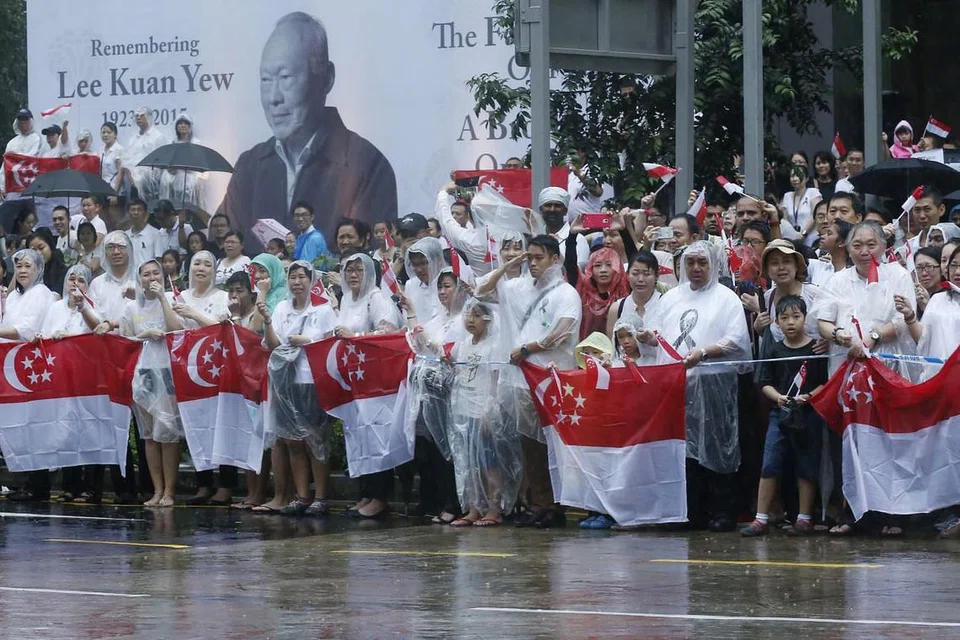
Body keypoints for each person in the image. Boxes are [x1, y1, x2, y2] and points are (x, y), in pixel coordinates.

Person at [218, 11, 398, 252]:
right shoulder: (249, 166)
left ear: (326, 78)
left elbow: (371, 253)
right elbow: (228, 241)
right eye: (266, 79)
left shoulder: (366, 165)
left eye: (286, 77)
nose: (274, 98)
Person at [650, 241, 751, 531]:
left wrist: (705, 352)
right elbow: (658, 333)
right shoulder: (671, 298)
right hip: (676, 385)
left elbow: (737, 341)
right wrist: (647, 337)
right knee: (684, 450)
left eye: (702, 263)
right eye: (691, 262)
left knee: (717, 446)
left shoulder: (725, 297)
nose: (696, 268)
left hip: (715, 383)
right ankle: (689, 511)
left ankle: (722, 512)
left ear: (713, 265)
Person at [484, 235, 582, 529]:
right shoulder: (518, 287)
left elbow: (563, 331)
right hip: (521, 381)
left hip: (550, 380)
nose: (533, 263)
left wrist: (528, 349)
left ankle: (556, 506)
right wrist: (510, 265)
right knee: (530, 447)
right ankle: (538, 504)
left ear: (556, 259)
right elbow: (481, 289)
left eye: (539, 257)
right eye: (530, 258)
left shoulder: (566, 293)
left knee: (552, 446)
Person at [742, 295, 829, 536]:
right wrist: (778, 397)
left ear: (805, 318)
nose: (790, 322)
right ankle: (761, 518)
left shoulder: (815, 349)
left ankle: (804, 517)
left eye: (796, 316)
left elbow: (824, 382)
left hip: (808, 414)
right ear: (777, 323)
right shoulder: (774, 350)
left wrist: (809, 396)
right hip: (779, 415)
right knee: (770, 463)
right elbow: (764, 382)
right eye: (784, 318)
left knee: (806, 465)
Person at [257, 260, 337, 516]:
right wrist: (268, 321)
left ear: (311, 280)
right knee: (292, 441)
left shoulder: (323, 310)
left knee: (316, 440)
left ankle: (321, 496)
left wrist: (309, 341)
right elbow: (272, 345)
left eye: (302, 277)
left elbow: (331, 344)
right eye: (293, 277)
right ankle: (302, 495)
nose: (297, 282)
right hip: (285, 382)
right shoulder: (281, 308)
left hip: (311, 381)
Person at [334, 252, 402, 519]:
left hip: (376, 380)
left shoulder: (377, 298)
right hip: (354, 380)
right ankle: (366, 491)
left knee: (376, 435)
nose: (353, 275)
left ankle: (380, 495)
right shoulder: (347, 300)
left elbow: (387, 333)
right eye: (349, 270)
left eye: (359, 270)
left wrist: (356, 337)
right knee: (358, 434)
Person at [447, 298, 523, 527]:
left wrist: (489, 411)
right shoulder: (463, 344)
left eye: (477, 315)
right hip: (464, 409)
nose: (471, 320)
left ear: (488, 319)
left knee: (489, 461)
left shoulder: (494, 345)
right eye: (468, 315)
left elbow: (496, 381)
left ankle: (493, 507)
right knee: (469, 462)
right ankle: (473, 507)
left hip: (483, 410)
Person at [405, 267, 468, 524]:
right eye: (440, 287)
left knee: (451, 450)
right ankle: (438, 500)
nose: (442, 292)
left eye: (448, 286)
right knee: (431, 449)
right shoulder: (438, 317)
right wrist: (409, 309)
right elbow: (419, 339)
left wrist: (432, 344)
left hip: (454, 392)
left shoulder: (466, 318)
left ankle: (456, 503)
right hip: (430, 394)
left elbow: (446, 351)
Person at [121, 259, 184, 506]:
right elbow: (124, 342)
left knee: (167, 433)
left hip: (167, 371)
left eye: (155, 272)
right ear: (140, 279)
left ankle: (170, 491)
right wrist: (144, 335)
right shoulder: (130, 307)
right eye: (146, 274)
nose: (151, 277)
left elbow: (176, 330)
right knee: (149, 435)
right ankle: (156, 490)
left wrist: (162, 299)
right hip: (143, 373)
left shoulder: (170, 299)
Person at [0, 249, 59, 502]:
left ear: (38, 269)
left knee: (36, 424)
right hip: (12, 365)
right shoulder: (13, 296)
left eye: (28, 266)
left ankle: (39, 484)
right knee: (19, 423)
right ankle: (27, 481)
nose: (22, 270)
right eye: (19, 266)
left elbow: (27, 330)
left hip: (33, 366)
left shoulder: (42, 294)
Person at [565, 215, 629, 339]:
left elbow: (635, 260)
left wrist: (623, 231)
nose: (603, 270)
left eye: (609, 265)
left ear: (618, 268)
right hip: (584, 352)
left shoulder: (624, 289)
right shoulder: (584, 290)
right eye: (598, 265)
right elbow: (570, 266)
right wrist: (572, 236)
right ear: (590, 269)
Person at [606, 251, 663, 360]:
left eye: (647, 274)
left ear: (656, 276)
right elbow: (613, 349)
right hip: (628, 372)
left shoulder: (666, 303)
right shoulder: (617, 308)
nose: (640, 279)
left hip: (660, 370)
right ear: (627, 275)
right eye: (635, 273)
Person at [159, 113, 204, 207]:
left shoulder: (196, 143)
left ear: (190, 126)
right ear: (176, 127)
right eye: (180, 123)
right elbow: (166, 161)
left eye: (186, 123)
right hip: (173, 178)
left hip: (189, 178)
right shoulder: (171, 143)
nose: (183, 125)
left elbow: (198, 163)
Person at [121, 107, 168, 200]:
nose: (138, 118)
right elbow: (127, 159)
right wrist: (130, 173)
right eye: (137, 116)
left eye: (142, 116)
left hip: (151, 178)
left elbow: (160, 159)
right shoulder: (133, 138)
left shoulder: (157, 137)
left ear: (149, 117)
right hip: (133, 176)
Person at [174, 250, 230, 327]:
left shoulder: (224, 297)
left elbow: (222, 329)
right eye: (197, 264)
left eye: (207, 265)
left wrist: (193, 314)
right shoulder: (182, 296)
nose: (201, 268)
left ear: (214, 271)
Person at [538, 187, 589, 270]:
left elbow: (578, 275)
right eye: (548, 205)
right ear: (541, 209)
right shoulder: (536, 236)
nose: (552, 209)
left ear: (565, 211)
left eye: (557, 206)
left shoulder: (579, 240)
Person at [780, 164, 821, 247]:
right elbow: (785, 220)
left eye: (799, 176)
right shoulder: (787, 196)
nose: (795, 179)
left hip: (812, 239)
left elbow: (815, 215)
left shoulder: (813, 192)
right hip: (793, 239)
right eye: (792, 176)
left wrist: (804, 233)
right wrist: (793, 234)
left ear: (807, 178)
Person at [27, 228, 69, 296]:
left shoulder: (63, 272)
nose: (38, 253)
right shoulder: (28, 273)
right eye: (33, 250)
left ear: (50, 247)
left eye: (41, 248)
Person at [124, 199, 161, 269]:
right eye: (133, 210)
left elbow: (159, 259)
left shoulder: (155, 234)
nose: (136, 212)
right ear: (128, 214)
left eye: (139, 210)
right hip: (130, 277)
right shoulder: (125, 236)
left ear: (146, 213)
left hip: (148, 276)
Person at [913, 246, 943, 318]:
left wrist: (926, 307)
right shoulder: (912, 297)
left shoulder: (950, 297)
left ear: (941, 269)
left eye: (929, 267)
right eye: (919, 268)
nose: (924, 273)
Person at [99, 122, 125, 194]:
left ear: (115, 135)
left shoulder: (119, 149)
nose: (105, 135)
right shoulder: (101, 150)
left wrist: (115, 192)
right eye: (103, 132)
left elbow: (121, 172)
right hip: (103, 189)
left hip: (115, 190)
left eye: (109, 132)